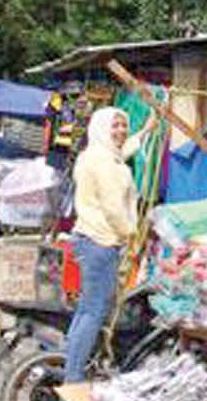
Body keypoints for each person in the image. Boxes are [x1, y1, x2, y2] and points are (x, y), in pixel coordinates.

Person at [64, 107, 153, 383]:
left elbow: (121, 151)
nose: (120, 131)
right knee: (94, 311)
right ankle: (74, 375)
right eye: (115, 126)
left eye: (123, 125)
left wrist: (145, 132)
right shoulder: (105, 164)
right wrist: (132, 233)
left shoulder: (95, 155)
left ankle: (71, 362)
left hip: (87, 239)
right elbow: (114, 209)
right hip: (101, 242)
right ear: (102, 128)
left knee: (87, 309)